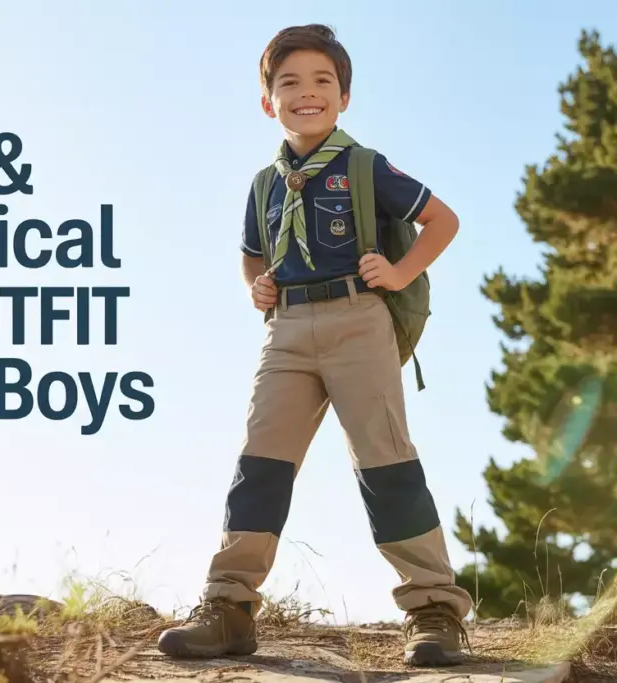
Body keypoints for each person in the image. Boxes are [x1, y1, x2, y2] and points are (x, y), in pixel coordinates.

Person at [156, 24, 473, 668]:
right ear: (268, 101)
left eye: (322, 81)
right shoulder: (264, 183)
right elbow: (251, 257)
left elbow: (442, 219)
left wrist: (400, 272)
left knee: (386, 464)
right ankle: (228, 608)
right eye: (289, 83)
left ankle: (434, 611)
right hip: (289, 333)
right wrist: (259, 288)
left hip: (360, 320)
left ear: (344, 96)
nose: (307, 93)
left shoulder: (365, 166)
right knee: (261, 464)